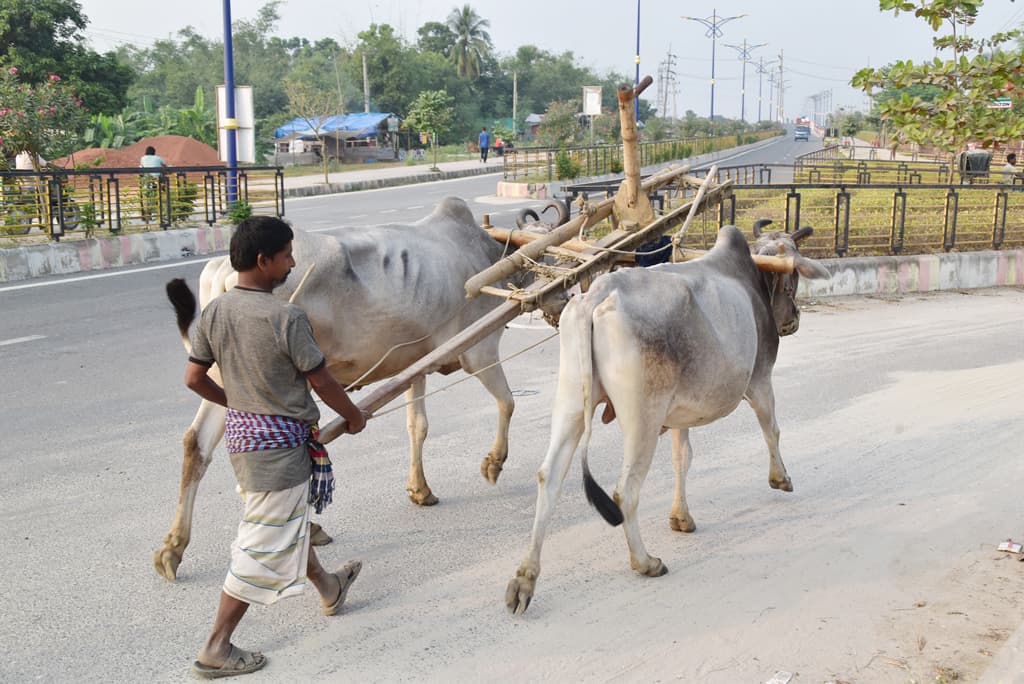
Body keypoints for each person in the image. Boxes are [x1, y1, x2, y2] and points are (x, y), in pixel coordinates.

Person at [183, 215, 368, 679]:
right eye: (285, 255)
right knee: (262, 543)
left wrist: (239, 403)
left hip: (244, 444)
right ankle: (216, 648)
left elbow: (193, 378)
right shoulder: (286, 318)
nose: (290, 263)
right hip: (278, 451)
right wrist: (353, 415)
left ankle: (328, 588)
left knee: (282, 521)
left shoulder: (214, 313)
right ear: (263, 261)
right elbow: (322, 380)